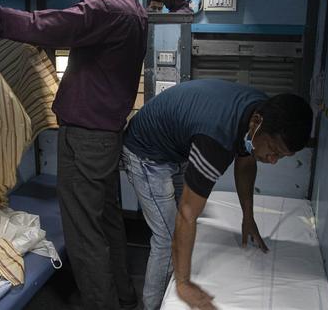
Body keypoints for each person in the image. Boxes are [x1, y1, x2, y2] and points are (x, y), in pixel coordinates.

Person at [0, 0, 148, 308]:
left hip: (85, 140)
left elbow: (47, 26)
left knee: (84, 234)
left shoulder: (104, 9)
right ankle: (123, 295)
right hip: (106, 137)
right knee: (108, 223)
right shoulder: (134, 10)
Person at [121, 79, 313, 310]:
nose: (272, 161)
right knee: (168, 235)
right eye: (272, 150)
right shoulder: (217, 140)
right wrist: (184, 284)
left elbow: (245, 162)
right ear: (256, 123)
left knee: (183, 221)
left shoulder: (259, 110)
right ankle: (152, 306)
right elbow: (187, 213)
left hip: (174, 146)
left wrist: (248, 217)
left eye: (280, 156)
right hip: (146, 150)